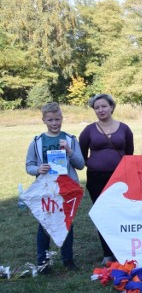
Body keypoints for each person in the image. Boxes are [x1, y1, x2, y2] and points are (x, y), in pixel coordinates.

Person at [26, 103, 85, 273]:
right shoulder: (37, 141)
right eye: (50, 120)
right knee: (44, 225)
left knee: (67, 224)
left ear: (62, 118)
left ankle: (68, 260)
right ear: (43, 120)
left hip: (66, 190)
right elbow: (29, 165)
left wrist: (69, 151)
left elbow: (80, 164)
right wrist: (38, 169)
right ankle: (42, 262)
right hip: (45, 190)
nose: (54, 123)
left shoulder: (70, 139)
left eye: (57, 119)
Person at [80, 94, 134, 264]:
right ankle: (108, 253)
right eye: (97, 108)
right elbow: (81, 156)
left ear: (112, 107)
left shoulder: (124, 128)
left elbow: (129, 153)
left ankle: (123, 249)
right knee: (102, 214)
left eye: (104, 106)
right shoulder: (89, 130)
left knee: (121, 213)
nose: (100, 110)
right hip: (96, 178)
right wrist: (95, 163)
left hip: (120, 179)